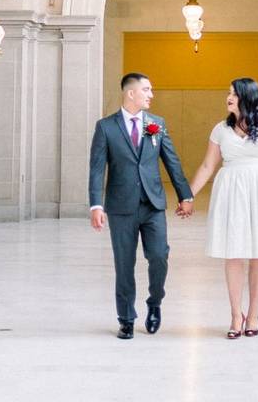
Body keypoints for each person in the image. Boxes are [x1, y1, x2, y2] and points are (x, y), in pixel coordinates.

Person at [181, 77, 258, 339]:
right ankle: (236, 315)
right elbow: (207, 167)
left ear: (247, 97)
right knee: (233, 254)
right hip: (231, 191)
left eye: (234, 94)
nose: (228, 97)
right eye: (228, 93)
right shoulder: (220, 130)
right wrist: (187, 195)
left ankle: (254, 313)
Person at [88, 72, 194, 339]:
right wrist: (95, 206)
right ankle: (125, 318)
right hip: (120, 207)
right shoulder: (106, 127)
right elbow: (97, 169)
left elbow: (172, 161)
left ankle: (154, 303)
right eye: (146, 89)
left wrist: (186, 195)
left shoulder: (156, 124)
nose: (151, 94)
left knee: (159, 257)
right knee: (124, 263)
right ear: (131, 93)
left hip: (153, 204)